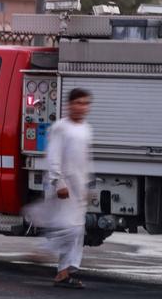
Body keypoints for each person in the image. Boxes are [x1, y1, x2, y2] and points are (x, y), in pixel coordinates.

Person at [27, 88, 93, 289]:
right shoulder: (60, 128)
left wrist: (88, 186)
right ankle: (43, 251)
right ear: (69, 105)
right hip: (63, 189)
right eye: (78, 103)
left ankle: (65, 272)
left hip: (78, 188)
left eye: (85, 103)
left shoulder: (86, 129)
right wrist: (58, 183)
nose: (82, 107)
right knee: (69, 229)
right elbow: (53, 157)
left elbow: (86, 159)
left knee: (78, 231)